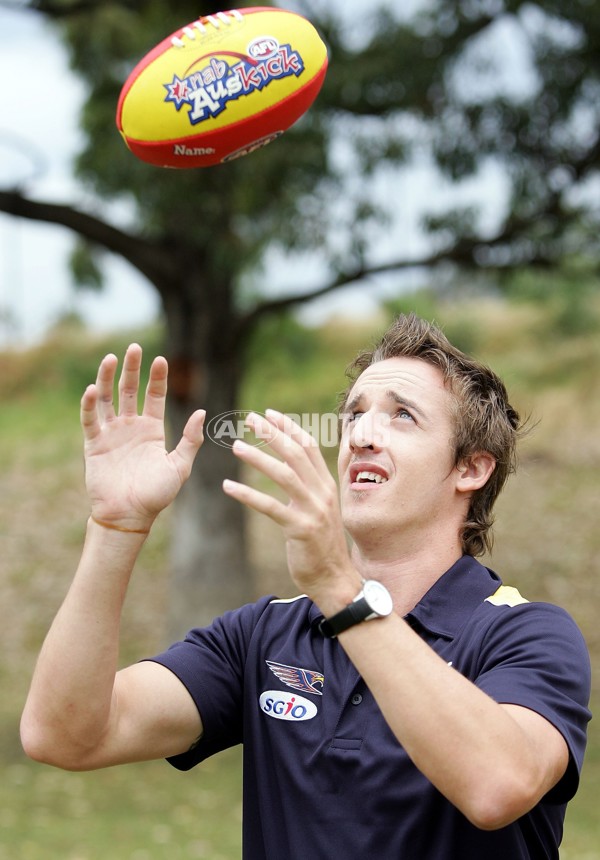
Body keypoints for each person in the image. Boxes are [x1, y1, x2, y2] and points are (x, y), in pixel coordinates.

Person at [21, 314, 591, 859]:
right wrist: (116, 528)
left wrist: (341, 591)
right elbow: (64, 734)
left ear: (471, 469)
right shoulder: (264, 635)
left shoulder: (527, 634)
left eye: (403, 416)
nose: (362, 435)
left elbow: (497, 785)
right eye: (354, 415)